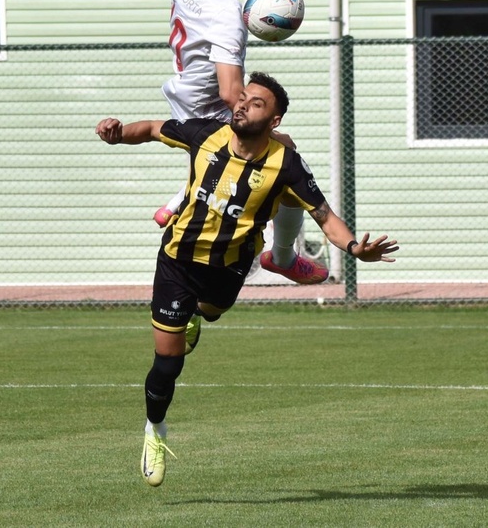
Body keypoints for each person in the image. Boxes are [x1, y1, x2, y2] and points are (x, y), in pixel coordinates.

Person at [94, 72, 399, 487]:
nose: (243, 104)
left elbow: (324, 217)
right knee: (168, 362)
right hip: (177, 261)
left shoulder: (285, 163)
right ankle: (155, 430)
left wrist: (354, 249)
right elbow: (149, 129)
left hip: (232, 265)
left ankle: (202, 312)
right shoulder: (206, 135)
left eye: (257, 103)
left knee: (213, 313)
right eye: (244, 98)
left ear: (273, 121)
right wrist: (116, 134)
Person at [157, 0, 327, 285]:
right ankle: (281, 256)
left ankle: (180, 198)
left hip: (183, 100)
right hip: (210, 112)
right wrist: (260, 118)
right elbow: (231, 92)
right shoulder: (225, 14)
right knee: (285, 158)